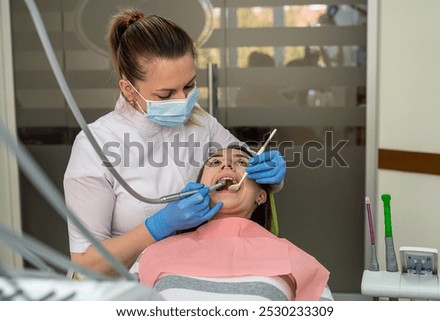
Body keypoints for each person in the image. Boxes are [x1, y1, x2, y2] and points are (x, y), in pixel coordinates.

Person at [63, 9, 286, 276]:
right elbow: (86, 265)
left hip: (197, 275)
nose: (183, 101)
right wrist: (157, 226)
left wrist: (271, 175)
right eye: (166, 94)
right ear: (128, 90)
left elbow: (243, 170)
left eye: (189, 86)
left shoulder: (202, 122)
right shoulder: (95, 145)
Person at [138, 146, 331, 301]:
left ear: (261, 195)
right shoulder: (153, 254)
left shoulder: (295, 259)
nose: (227, 165)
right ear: (197, 188)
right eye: (215, 162)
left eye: (241, 162)